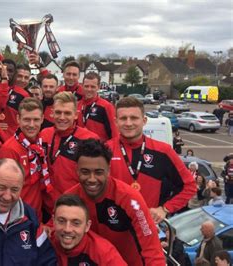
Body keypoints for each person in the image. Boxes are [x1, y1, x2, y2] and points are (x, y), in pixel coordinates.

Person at [64, 139, 165, 266]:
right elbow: (55, 231)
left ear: (109, 170)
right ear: (77, 170)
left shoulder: (131, 200)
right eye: (85, 172)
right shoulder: (70, 198)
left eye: (98, 172)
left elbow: (152, 249)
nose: (92, 179)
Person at [106, 96, 196, 224]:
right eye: (123, 118)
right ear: (115, 122)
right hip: (112, 225)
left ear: (144, 120)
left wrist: (165, 208)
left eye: (134, 118)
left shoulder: (163, 150)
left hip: (146, 227)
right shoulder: (105, 150)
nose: (128, 123)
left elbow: (189, 186)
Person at [0, 97, 57, 220]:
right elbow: (4, 192)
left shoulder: (40, 145)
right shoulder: (10, 149)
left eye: (36, 120)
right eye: (27, 120)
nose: (31, 125)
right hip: (17, 218)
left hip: (37, 216)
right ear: (18, 119)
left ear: (42, 119)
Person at [40, 92, 99, 199]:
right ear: (52, 113)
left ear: (75, 115)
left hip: (73, 205)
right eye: (58, 112)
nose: (62, 117)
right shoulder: (44, 134)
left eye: (67, 113)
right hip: (46, 205)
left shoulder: (89, 139)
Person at [50, 194, 127, 265]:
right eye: (61, 221)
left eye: (76, 223)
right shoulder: (45, 243)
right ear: (53, 221)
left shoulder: (104, 254)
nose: (67, 229)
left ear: (87, 226)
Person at [77, 72, 118, 142]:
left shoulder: (106, 106)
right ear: (82, 86)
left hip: (99, 150)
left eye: (92, 87)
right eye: (86, 86)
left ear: (98, 87)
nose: (89, 89)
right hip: (80, 149)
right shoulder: (77, 105)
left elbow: (114, 133)